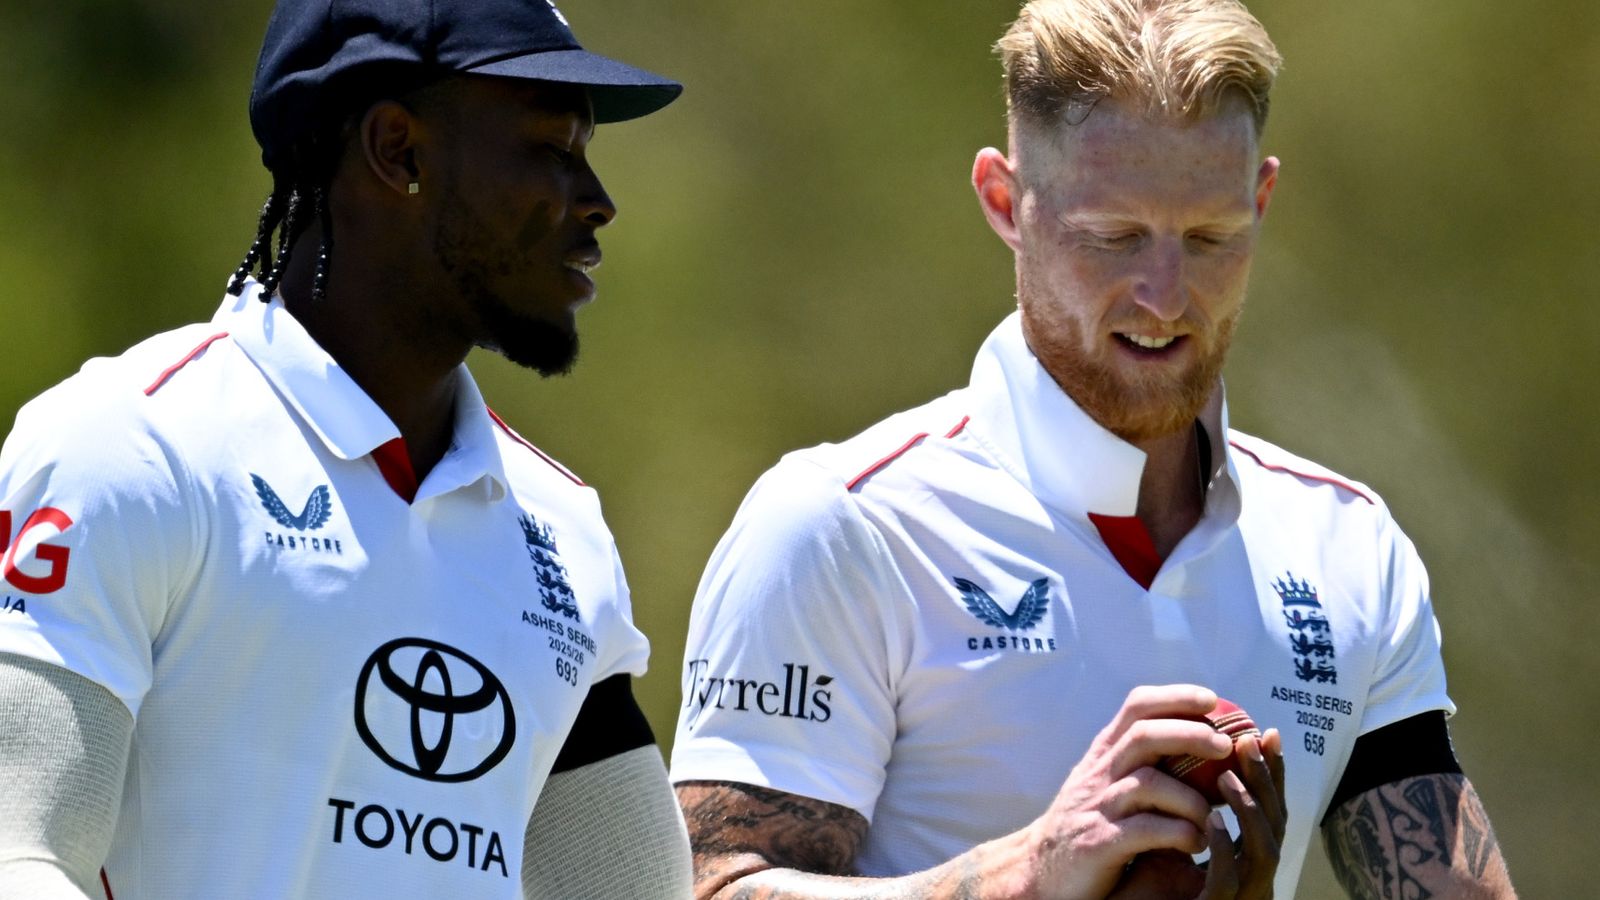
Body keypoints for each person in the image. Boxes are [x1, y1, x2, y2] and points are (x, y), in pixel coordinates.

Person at [668, 0, 1518, 897]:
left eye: (1210, 238)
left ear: (1261, 201)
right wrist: (1036, 871)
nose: (1164, 295)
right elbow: (712, 887)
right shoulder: (840, 524)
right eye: (1113, 236)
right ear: (1006, 203)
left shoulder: (1349, 546)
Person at [0, 0, 692, 897]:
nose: (598, 201)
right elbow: (20, 857)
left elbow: (631, 891)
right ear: (397, 150)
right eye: (554, 150)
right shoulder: (132, 444)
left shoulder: (563, 529)